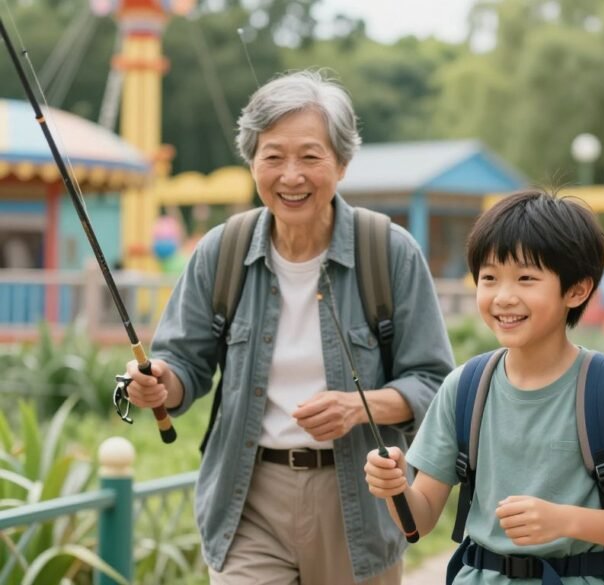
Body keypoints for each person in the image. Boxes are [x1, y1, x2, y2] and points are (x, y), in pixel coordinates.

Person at [124, 70, 454, 584]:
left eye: (310, 156)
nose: (290, 176)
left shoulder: (388, 252)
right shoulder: (222, 250)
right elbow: (183, 364)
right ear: (252, 161)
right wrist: (158, 383)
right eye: (273, 156)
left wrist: (355, 407)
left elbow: (435, 385)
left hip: (360, 500)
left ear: (342, 163)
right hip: (249, 492)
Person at [363, 190, 604, 583]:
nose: (504, 297)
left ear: (576, 290)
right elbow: (419, 521)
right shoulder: (465, 387)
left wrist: (564, 521)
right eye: (489, 278)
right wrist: (395, 488)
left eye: (526, 278)